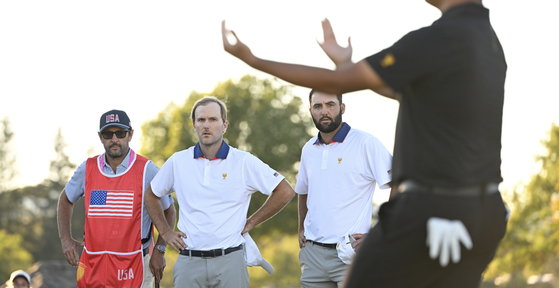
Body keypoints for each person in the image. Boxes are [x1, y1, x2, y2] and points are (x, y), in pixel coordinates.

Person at [221, 0, 508, 288]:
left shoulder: (440, 38)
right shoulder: (486, 41)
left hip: (436, 213)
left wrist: (253, 59)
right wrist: (346, 63)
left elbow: (340, 85)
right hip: (482, 212)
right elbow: (408, 93)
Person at [144, 96, 295, 288]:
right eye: (201, 120)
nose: (206, 125)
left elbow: (285, 191)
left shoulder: (243, 161)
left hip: (230, 260)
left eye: (213, 120)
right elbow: (151, 194)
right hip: (189, 262)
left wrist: (251, 222)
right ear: (194, 125)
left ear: (224, 125)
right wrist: (165, 232)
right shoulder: (178, 161)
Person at [57, 109, 176, 288]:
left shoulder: (147, 170)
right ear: (100, 136)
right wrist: (66, 239)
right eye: (108, 134)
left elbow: (169, 210)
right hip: (94, 265)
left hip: (136, 263)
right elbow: (65, 199)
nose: (114, 139)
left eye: (120, 133)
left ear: (130, 134)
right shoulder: (87, 168)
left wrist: (160, 249)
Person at [297, 90, 393, 288]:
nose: (324, 111)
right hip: (312, 256)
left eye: (330, 105)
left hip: (351, 254)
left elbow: (399, 185)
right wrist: (300, 228)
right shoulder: (308, 149)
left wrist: (380, 232)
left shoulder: (366, 143)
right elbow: (304, 191)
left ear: (342, 108)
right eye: (318, 106)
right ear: (310, 111)